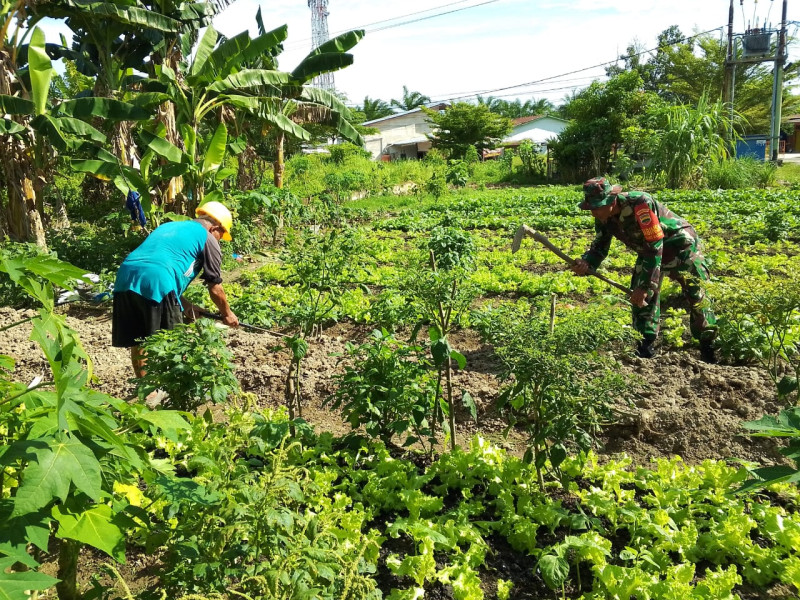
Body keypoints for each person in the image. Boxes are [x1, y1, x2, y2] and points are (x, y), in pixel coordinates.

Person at [572, 177, 717, 362]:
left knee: (697, 295)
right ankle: (645, 347)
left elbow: (655, 245)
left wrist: (646, 285)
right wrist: (587, 263)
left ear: (612, 200)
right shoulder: (603, 216)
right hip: (649, 252)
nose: (594, 212)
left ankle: (708, 348)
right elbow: (599, 247)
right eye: (591, 208)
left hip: (680, 247)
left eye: (597, 206)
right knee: (640, 300)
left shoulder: (640, 204)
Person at [112, 201, 240, 377]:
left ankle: (146, 390)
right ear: (214, 228)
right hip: (157, 280)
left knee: (139, 339)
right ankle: (174, 390)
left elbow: (159, 267)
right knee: (175, 342)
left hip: (125, 277)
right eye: (222, 234)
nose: (220, 240)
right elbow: (215, 287)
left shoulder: (169, 226)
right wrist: (227, 313)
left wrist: (186, 306)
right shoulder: (207, 237)